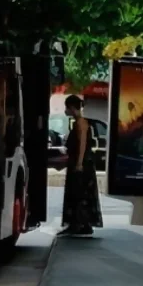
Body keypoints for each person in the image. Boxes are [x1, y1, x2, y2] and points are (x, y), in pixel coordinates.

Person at [59, 95, 103, 237]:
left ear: (72, 108)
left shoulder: (81, 123)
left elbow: (82, 144)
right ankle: (80, 224)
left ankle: (78, 224)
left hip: (81, 164)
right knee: (79, 193)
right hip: (80, 163)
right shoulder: (78, 122)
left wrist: (78, 163)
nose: (65, 111)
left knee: (79, 193)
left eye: (67, 107)